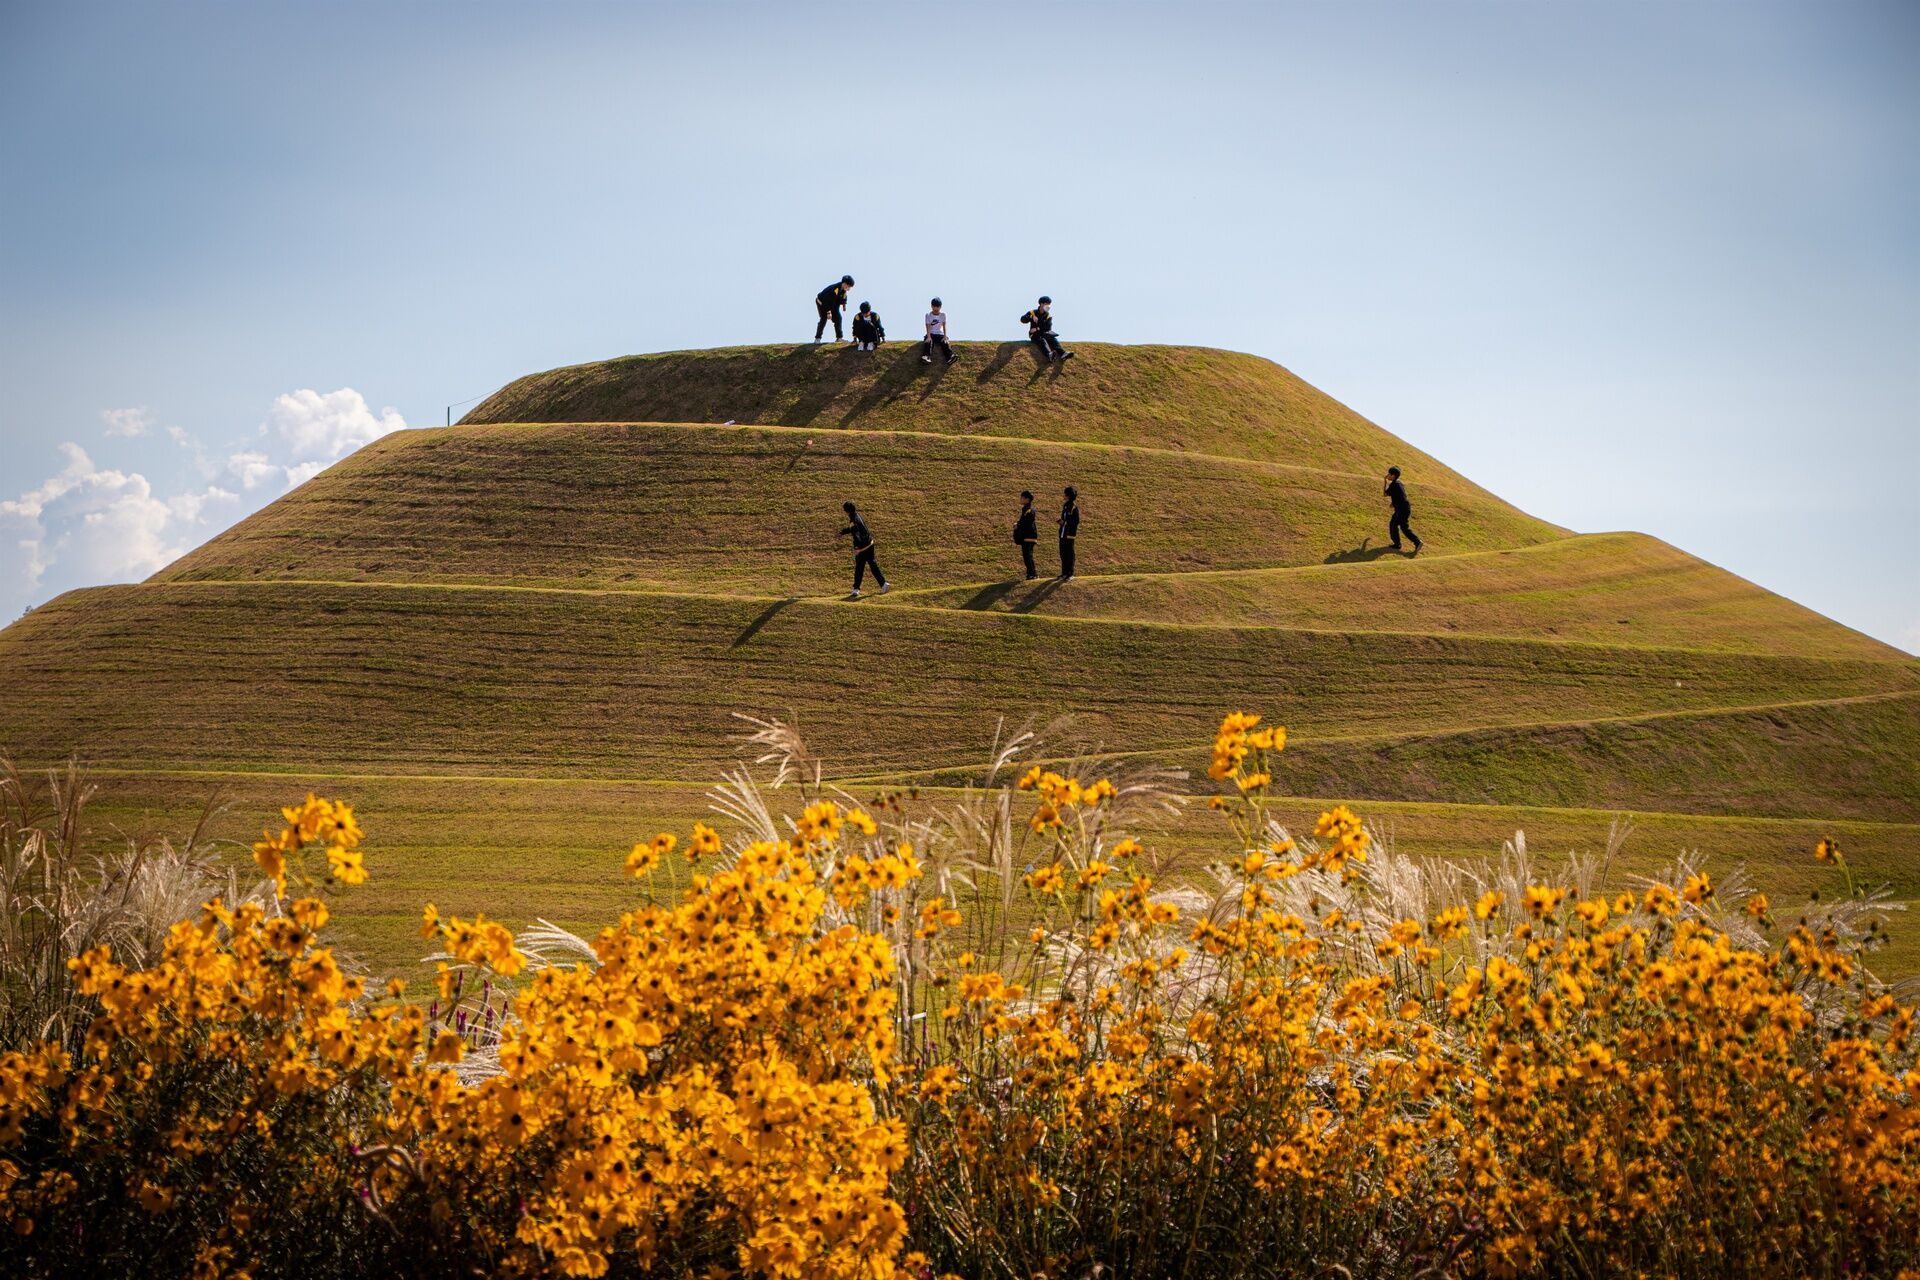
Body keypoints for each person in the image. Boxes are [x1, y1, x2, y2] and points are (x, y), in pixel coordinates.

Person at [838, 501, 889, 597]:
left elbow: (856, 535)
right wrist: (844, 532)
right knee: (873, 565)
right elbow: (853, 528)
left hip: (863, 547)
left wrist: (858, 549)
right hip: (870, 544)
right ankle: (883, 584)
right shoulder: (857, 516)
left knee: (859, 568)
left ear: (847, 511)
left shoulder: (853, 520)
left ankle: (856, 589)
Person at [1020, 296, 1072, 362]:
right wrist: (1031, 317)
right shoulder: (1032, 312)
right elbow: (1022, 320)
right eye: (1046, 304)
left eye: (1049, 304)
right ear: (1041, 304)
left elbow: (1047, 328)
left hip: (1044, 333)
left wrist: (1036, 328)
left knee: (1053, 339)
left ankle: (1063, 353)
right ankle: (1049, 354)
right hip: (1034, 335)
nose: (1048, 306)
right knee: (1042, 340)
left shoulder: (1048, 316)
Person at [1384, 466, 1422, 553]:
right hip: (1403, 508)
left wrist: (1385, 481)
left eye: (1389, 474)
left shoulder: (1393, 484)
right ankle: (1400, 544)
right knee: (1398, 525)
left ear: (1393, 476)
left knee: (1398, 526)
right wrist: (1393, 503)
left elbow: (1385, 494)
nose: (1387, 475)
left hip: (1402, 509)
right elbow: (1401, 495)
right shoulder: (1399, 483)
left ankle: (1416, 542)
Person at [815, 275, 855, 342]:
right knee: (824, 319)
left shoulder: (844, 290)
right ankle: (817, 338)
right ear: (844, 284)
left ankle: (839, 338)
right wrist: (828, 313)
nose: (849, 288)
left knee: (838, 318)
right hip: (822, 302)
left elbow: (844, 298)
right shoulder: (834, 289)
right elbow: (827, 302)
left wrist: (844, 305)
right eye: (848, 286)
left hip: (833, 304)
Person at [921, 297, 956, 365]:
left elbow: (944, 325)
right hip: (931, 333)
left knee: (945, 342)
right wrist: (928, 336)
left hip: (940, 334)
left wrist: (945, 336)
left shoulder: (943, 315)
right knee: (928, 342)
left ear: (940, 307)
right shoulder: (928, 315)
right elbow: (927, 326)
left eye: (938, 307)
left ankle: (950, 357)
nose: (936, 308)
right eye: (934, 306)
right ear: (931, 306)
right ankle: (927, 356)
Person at [1013, 490, 1039, 580]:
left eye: (1022, 497)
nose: (1020, 499)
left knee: (1028, 556)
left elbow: (1027, 523)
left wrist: (1018, 525)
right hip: (1026, 537)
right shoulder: (1025, 510)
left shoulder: (1029, 510)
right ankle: (1030, 574)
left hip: (1029, 537)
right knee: (1026, 556)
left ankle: (1033, 574)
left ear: (1027, 499)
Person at [1057, 486, 1080, 580]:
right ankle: (1064, 573)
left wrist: (1065, 523)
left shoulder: (1074, 507)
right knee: (1063, 554)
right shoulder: (1065, 506)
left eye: (1065, 494)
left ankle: (1070, 574)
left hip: (1070, 534)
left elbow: (1076, 521)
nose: (1064, 496)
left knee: (1069, 554)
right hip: (1062, 533)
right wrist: (1061, 522)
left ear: (1069, 495)